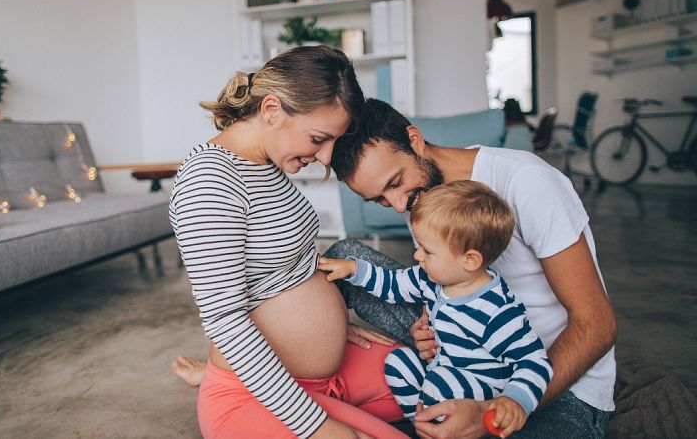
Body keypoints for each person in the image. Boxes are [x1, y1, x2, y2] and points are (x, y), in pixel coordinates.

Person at [325, 98, 617, 439]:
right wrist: (426, 323)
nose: (398, 205)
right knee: (343, 257)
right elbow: (441, 284)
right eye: (379, 199)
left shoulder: (526, 181)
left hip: (553, 380)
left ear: (415, 140)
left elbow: (597, 325)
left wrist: (492, 412)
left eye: (394, 182)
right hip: (465, 354)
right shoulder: (420, 196)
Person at [169, 46, 408, 439]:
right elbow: (225, 320)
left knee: (437, 387)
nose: (326, 157)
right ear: (272, 110)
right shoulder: (210, 181)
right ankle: (216, 386)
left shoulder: (266, 161)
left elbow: (283, 271)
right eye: (318, 138)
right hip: (254, 393)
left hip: (320, 371)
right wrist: (319, 427)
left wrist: (328, 329)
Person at [319, 180, 553, 438]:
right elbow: (393, 284)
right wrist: (353, 269)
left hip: (478, 388)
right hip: (441, 368)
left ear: (469, 260)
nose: (417, 256)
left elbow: (534, 361)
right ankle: (424, 426)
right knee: (398, 363)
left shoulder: (496, 311)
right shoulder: (431, 278)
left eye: (427, 251)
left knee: (439, 383)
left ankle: (438, 423)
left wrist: (515, 400)